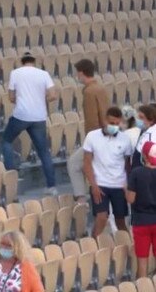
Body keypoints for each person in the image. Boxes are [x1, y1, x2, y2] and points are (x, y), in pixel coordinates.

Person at [2, 51, 58, 195]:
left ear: (22, 61)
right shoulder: (43, 74)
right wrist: (40, 99)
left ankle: (11, 176)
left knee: (7, 141)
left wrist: (21, 100)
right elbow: (53, 95)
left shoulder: (15, 73)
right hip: (39, 116)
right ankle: (51, 186)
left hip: (21, 115)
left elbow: (11, 97)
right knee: (44, 152)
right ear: (34, 61)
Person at [82, 106, 132, 237]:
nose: (114, 126)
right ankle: (93, 245)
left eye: (117, 123)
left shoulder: (125, 139)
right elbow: (87, 163)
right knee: (101, 218)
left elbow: (127, 166)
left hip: (119, 185)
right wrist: (93, 185)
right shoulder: (92, 136)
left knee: (120, 221)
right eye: (111, 123)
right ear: (104, 120)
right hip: (100, 184)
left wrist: (127, 187)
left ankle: (127, 248)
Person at [67, 59, 110, 205]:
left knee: (74, 163)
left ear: (81, 73)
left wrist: (90, 145)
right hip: (107, 134)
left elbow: (92, 121)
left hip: (97, 138)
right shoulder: (100, 88)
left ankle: (81, 199)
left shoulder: (89, 92)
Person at [127, 141, 156, 277]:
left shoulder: (136, 173)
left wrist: (124, 189)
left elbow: (131, 199)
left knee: (142, 262)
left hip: (141, 222)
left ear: (144, 156)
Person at [133, 105, 156, 169]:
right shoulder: (144, 131)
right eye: (138, 117)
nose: (138, 120)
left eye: (141, 117)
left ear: (151, 120)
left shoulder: (152, 134)